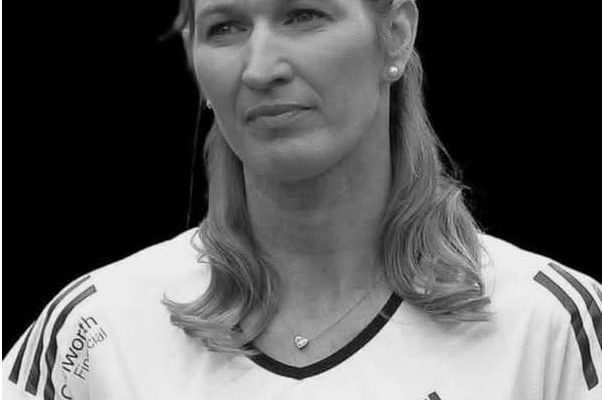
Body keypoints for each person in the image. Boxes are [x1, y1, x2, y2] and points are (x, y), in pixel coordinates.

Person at [3, 0, 601, 398]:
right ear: (193, 59)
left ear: (395, 34)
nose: (260, 68)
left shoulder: (551, 326)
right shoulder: (96, 332)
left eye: (303, 15)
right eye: (225, 27)